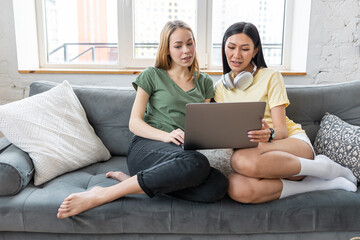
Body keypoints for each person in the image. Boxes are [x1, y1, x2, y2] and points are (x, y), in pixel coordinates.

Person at [57, 20, 228, 219]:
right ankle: (102, 194)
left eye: (190, 43)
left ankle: (134, 182)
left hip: (181, 156)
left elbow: (203, 126)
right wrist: (166, 136)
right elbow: (134, 123)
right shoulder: (152, 75)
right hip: (147, 147)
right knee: (197, 162)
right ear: (167, 50)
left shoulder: (205, 82)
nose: (186, 51)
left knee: (218, 186)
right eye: (178, 46)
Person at [214, 22, 357, 204]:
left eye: (244, 49)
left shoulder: (271, 77)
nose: (236, 55)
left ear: (255, 51)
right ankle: (323, 183)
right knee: (237, 188)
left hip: (290, 145)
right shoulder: (220, 88)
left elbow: (281, 130)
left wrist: (269, 134)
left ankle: (327, 169)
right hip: (260, 161)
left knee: (240, 160)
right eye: (231, 47)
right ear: (224, 47)